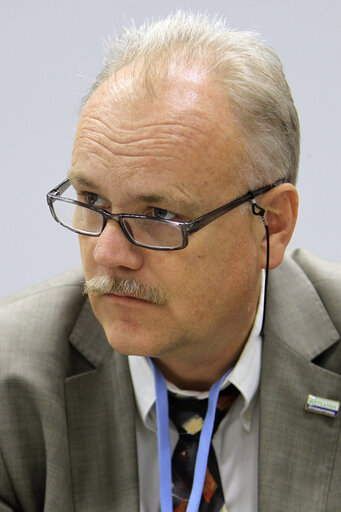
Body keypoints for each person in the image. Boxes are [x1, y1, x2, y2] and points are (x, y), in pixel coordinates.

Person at [1, 11, 340, 512]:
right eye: (92, 202)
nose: (107, 253)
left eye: (159, 214)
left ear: (271, 223)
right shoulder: (13, 380)